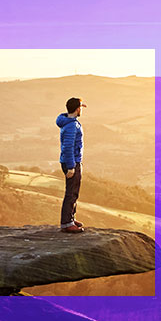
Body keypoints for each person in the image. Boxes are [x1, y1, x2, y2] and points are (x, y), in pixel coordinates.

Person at [57, 97, 86, 233]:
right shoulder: (72, 126)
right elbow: (68, 147)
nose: (82, 110)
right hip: (71, 162)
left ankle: (71, 218)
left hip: (71, 161)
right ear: (77, 109)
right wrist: (71, 167)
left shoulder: (67, 122)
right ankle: (67, 223)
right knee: (71, 193)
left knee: (73, 192)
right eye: (81, 107)